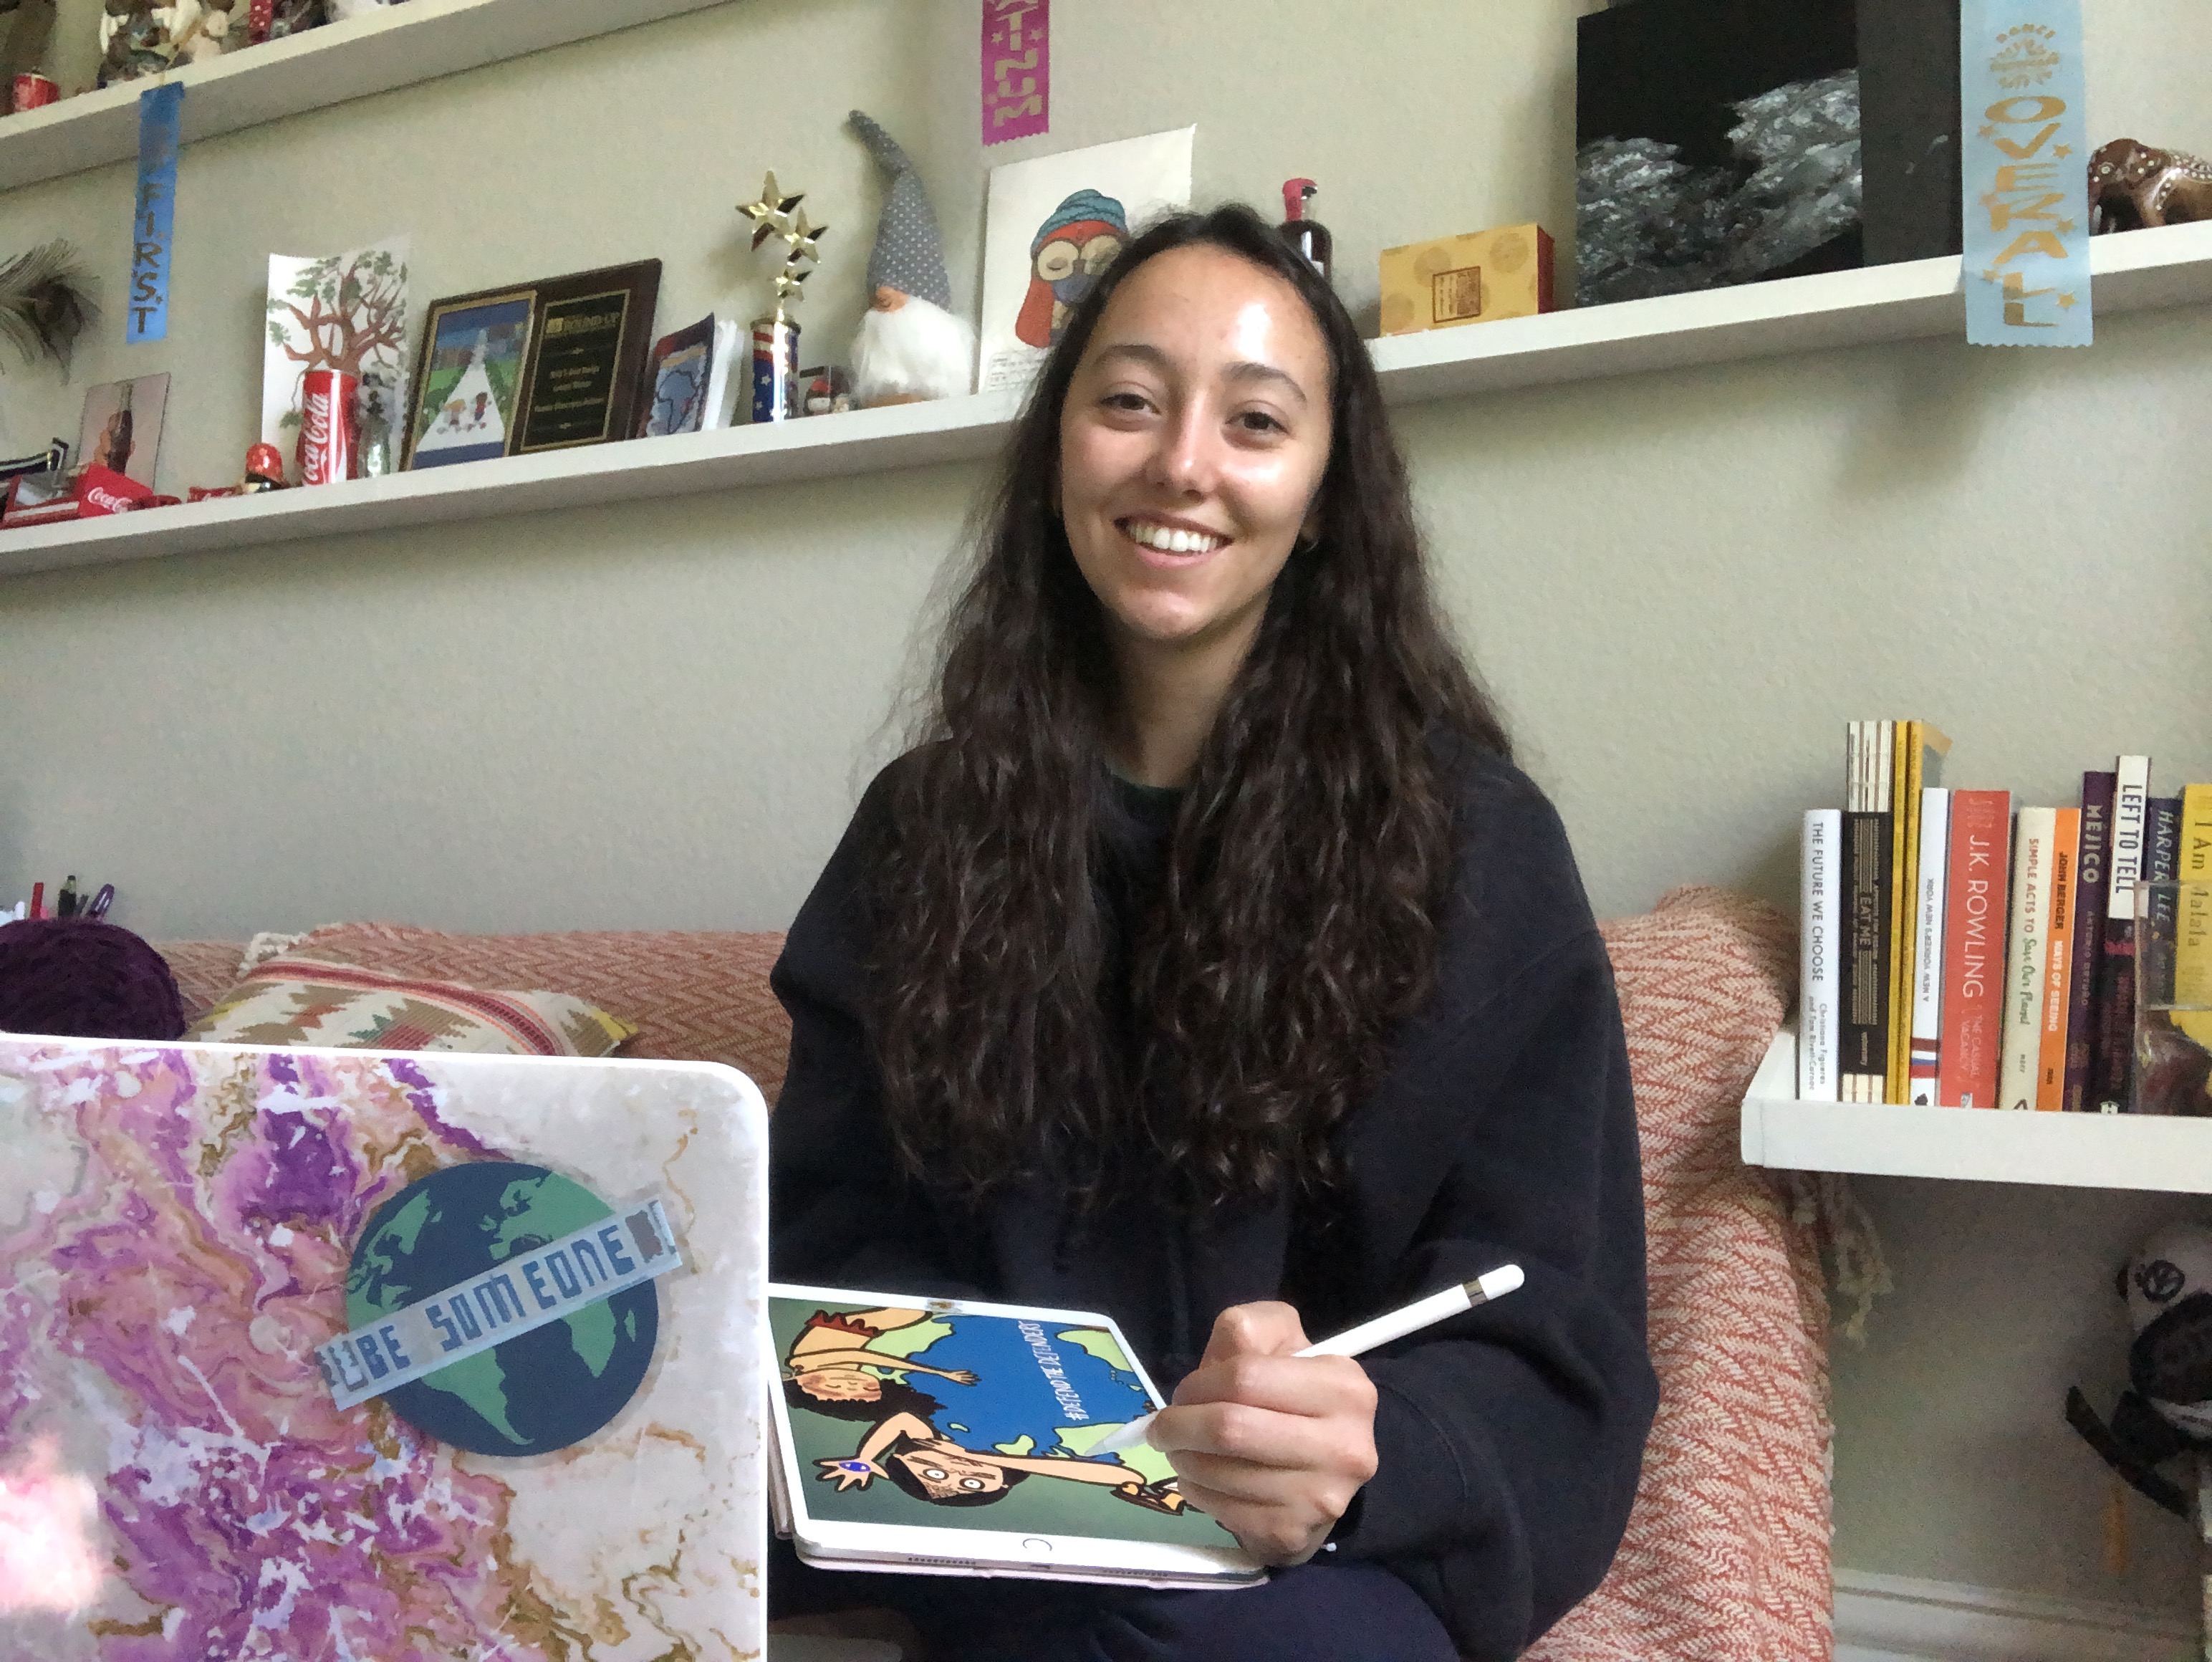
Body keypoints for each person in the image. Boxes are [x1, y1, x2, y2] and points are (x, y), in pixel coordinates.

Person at [768, 202, 1657, 1662]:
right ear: (1059, 447)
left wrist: (1375, 1441)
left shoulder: (1476, 846)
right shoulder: (920, 825)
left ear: (1321, 494)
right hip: (957, 1499)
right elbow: (828, 1228)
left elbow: (1548, 1308)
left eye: (1253, 421)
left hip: (1294, 1551)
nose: (1179, 462)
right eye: (1126, 401)